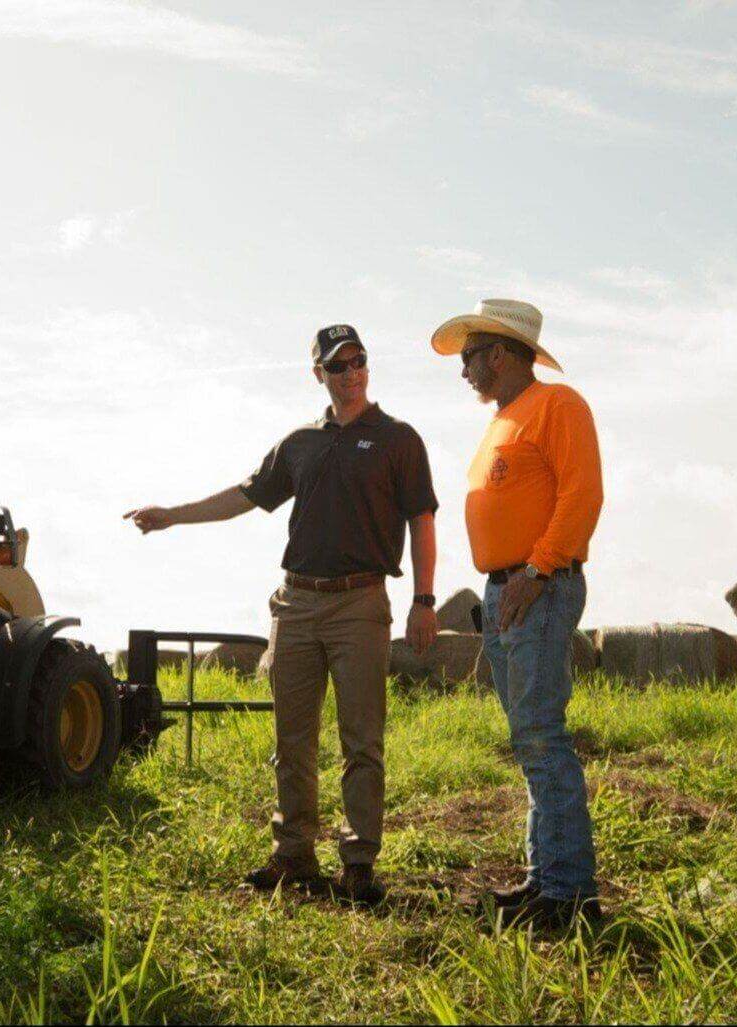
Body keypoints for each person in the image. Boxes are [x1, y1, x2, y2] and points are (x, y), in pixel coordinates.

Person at [125, 325, 438, 906]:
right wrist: (172, 515)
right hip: (296, 605)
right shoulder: (300, 443)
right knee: (291, 739)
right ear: (317, 373)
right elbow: (245, 496)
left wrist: (425, 601)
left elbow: (422, 520)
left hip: (361, 604)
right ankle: (293, 853)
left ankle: (358, 862)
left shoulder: (399, 440)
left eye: (359, 362)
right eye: (338, 366)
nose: (351, 373)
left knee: (361, 740)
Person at [429, 298, 604, 929]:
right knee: (529, 739)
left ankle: (569, 894)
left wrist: (538, 567)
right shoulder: (507, 417)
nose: (465, 371)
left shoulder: (558, 405)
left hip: (538, 587)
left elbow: (583, 493)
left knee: (542, 736)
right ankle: (546, 879)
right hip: (507, 592)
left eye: (470, 357)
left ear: (499, 354)